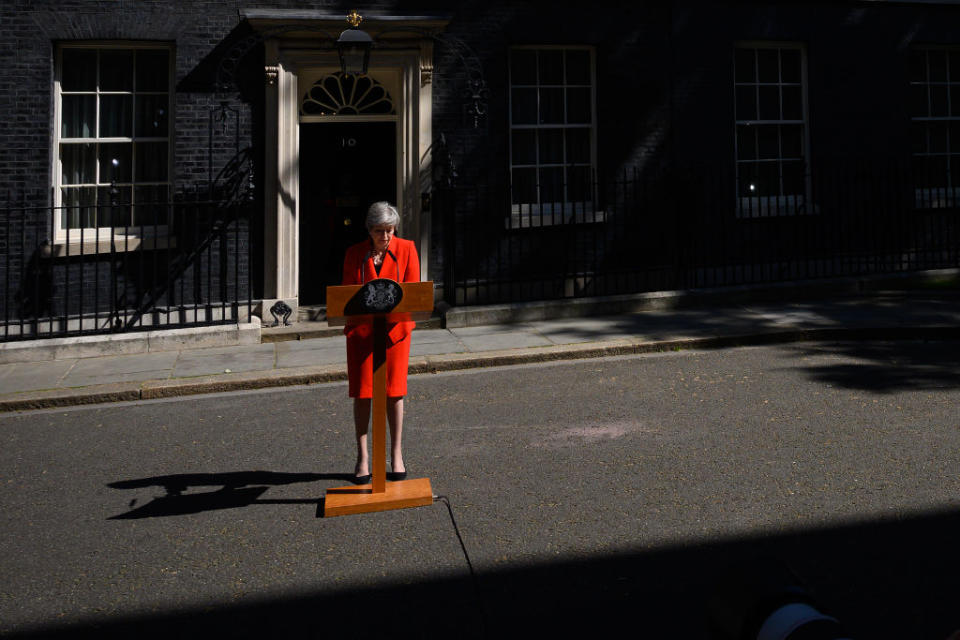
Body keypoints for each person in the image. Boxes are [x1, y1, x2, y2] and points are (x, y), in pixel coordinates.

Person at [341, 201, 420, 484]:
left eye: (389, 230)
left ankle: (396, 454)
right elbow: (347, 299)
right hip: (362, 335)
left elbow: (412, 294)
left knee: (394, 392)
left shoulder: (407, 249)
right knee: (363, 394)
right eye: (378, 231)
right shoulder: (354, 254)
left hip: (395, 334)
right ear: (369, 230)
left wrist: (394, 325)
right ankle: (363, 457)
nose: (385, 237)